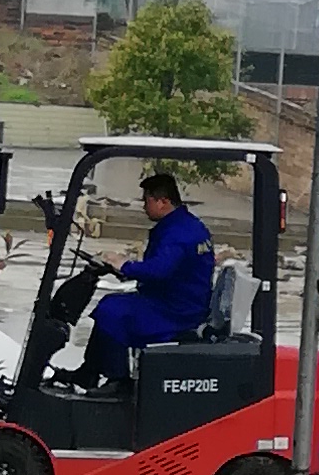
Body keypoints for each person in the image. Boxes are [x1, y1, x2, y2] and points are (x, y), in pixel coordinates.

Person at [75, 166, 216, 388]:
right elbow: (166, 268)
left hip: (176, 310)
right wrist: (125, 268)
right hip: (176, 299)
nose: (143, 206)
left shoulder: (178, 234)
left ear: (162, 202)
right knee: (112, 306)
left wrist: (125, 265)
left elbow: (159, 270)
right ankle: (88, 372)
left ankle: (118, 381)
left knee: (112, 311)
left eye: (147, 201)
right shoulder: (186, 225)